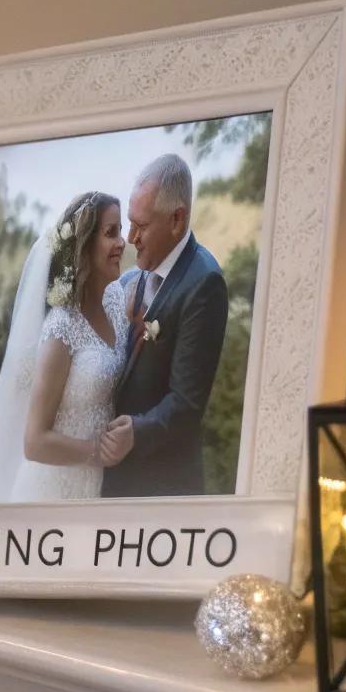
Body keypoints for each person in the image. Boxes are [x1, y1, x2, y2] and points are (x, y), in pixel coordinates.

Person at [0, 192, 127, 502]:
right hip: (53, 491)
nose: (122, 242)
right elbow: (34, 441)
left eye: (120, 231)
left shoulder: (117, 301)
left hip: (98, 487)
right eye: (111, 233)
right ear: (84, 243)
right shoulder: (61, 327)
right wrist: (98, 452)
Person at [100, 153, 228, 498]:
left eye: (141, 226)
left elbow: (187, 402)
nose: (130, 237)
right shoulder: (133, 278)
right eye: (129, 223)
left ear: (176, 220)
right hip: (114, 482)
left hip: (161, 487)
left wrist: (136, 434)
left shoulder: (204, 283)